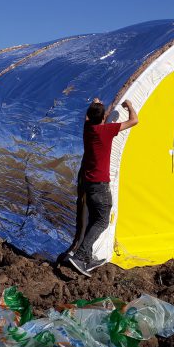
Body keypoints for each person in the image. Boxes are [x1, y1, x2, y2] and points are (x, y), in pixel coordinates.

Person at [68, 97, 138, 276]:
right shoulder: (106, 131)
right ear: (102, 119)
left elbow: (89, 118)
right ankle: (81, 255)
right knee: (102, 221)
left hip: (89, 184)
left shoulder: (88, 129)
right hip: (100, 186)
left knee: (94, 219)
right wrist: (129, 105)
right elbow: (134, 120)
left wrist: (94, 105)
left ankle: (88, 257)